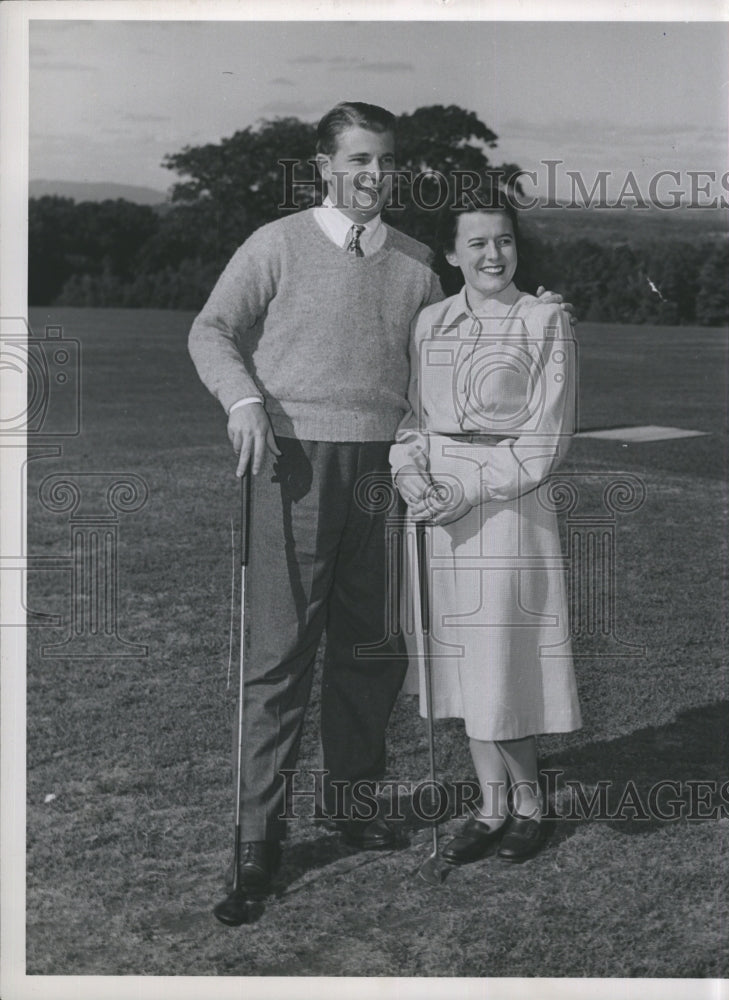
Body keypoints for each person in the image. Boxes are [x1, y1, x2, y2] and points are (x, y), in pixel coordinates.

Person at [189, 101, 573, 899]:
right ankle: (259, 839)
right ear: (325, 164)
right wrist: (243, 402)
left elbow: (442, 368)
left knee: (371, 649)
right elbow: (211, 330)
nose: (374, 175)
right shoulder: (277, 243)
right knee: (280, 656)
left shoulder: (412, 265)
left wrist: (540, 312)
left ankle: (351, 805)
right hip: (292, 464)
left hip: (387, 473)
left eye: (386, 161)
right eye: (359, 160)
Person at [390, 190, 582, 864]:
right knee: (463, 662)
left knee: (502, 658)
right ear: (450, 253)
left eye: (502, 240)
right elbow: (414, 418)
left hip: (506, 508)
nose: (492, 254)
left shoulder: (542, 320)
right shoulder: (430, 322)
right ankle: (489, 804)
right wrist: (409, 473)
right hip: (439, 514)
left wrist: (464, 485)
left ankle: (528, 805)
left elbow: (545, 438)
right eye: (475, 243)